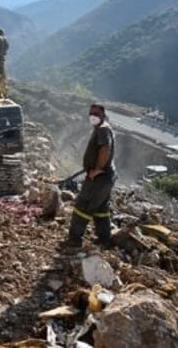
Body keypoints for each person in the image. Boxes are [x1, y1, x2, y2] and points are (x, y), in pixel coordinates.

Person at [65, 104, 117, 249]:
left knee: (83, 206)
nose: (93, 116)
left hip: (99, 178)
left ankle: (74, 241)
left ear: (103, 115)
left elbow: (105, 149)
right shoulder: (102, 128)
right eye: (91, 113)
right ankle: (104, 240)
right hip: (106, 178)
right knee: (101, 209)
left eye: (96, 113)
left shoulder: (103, 129)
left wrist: (97, 169)